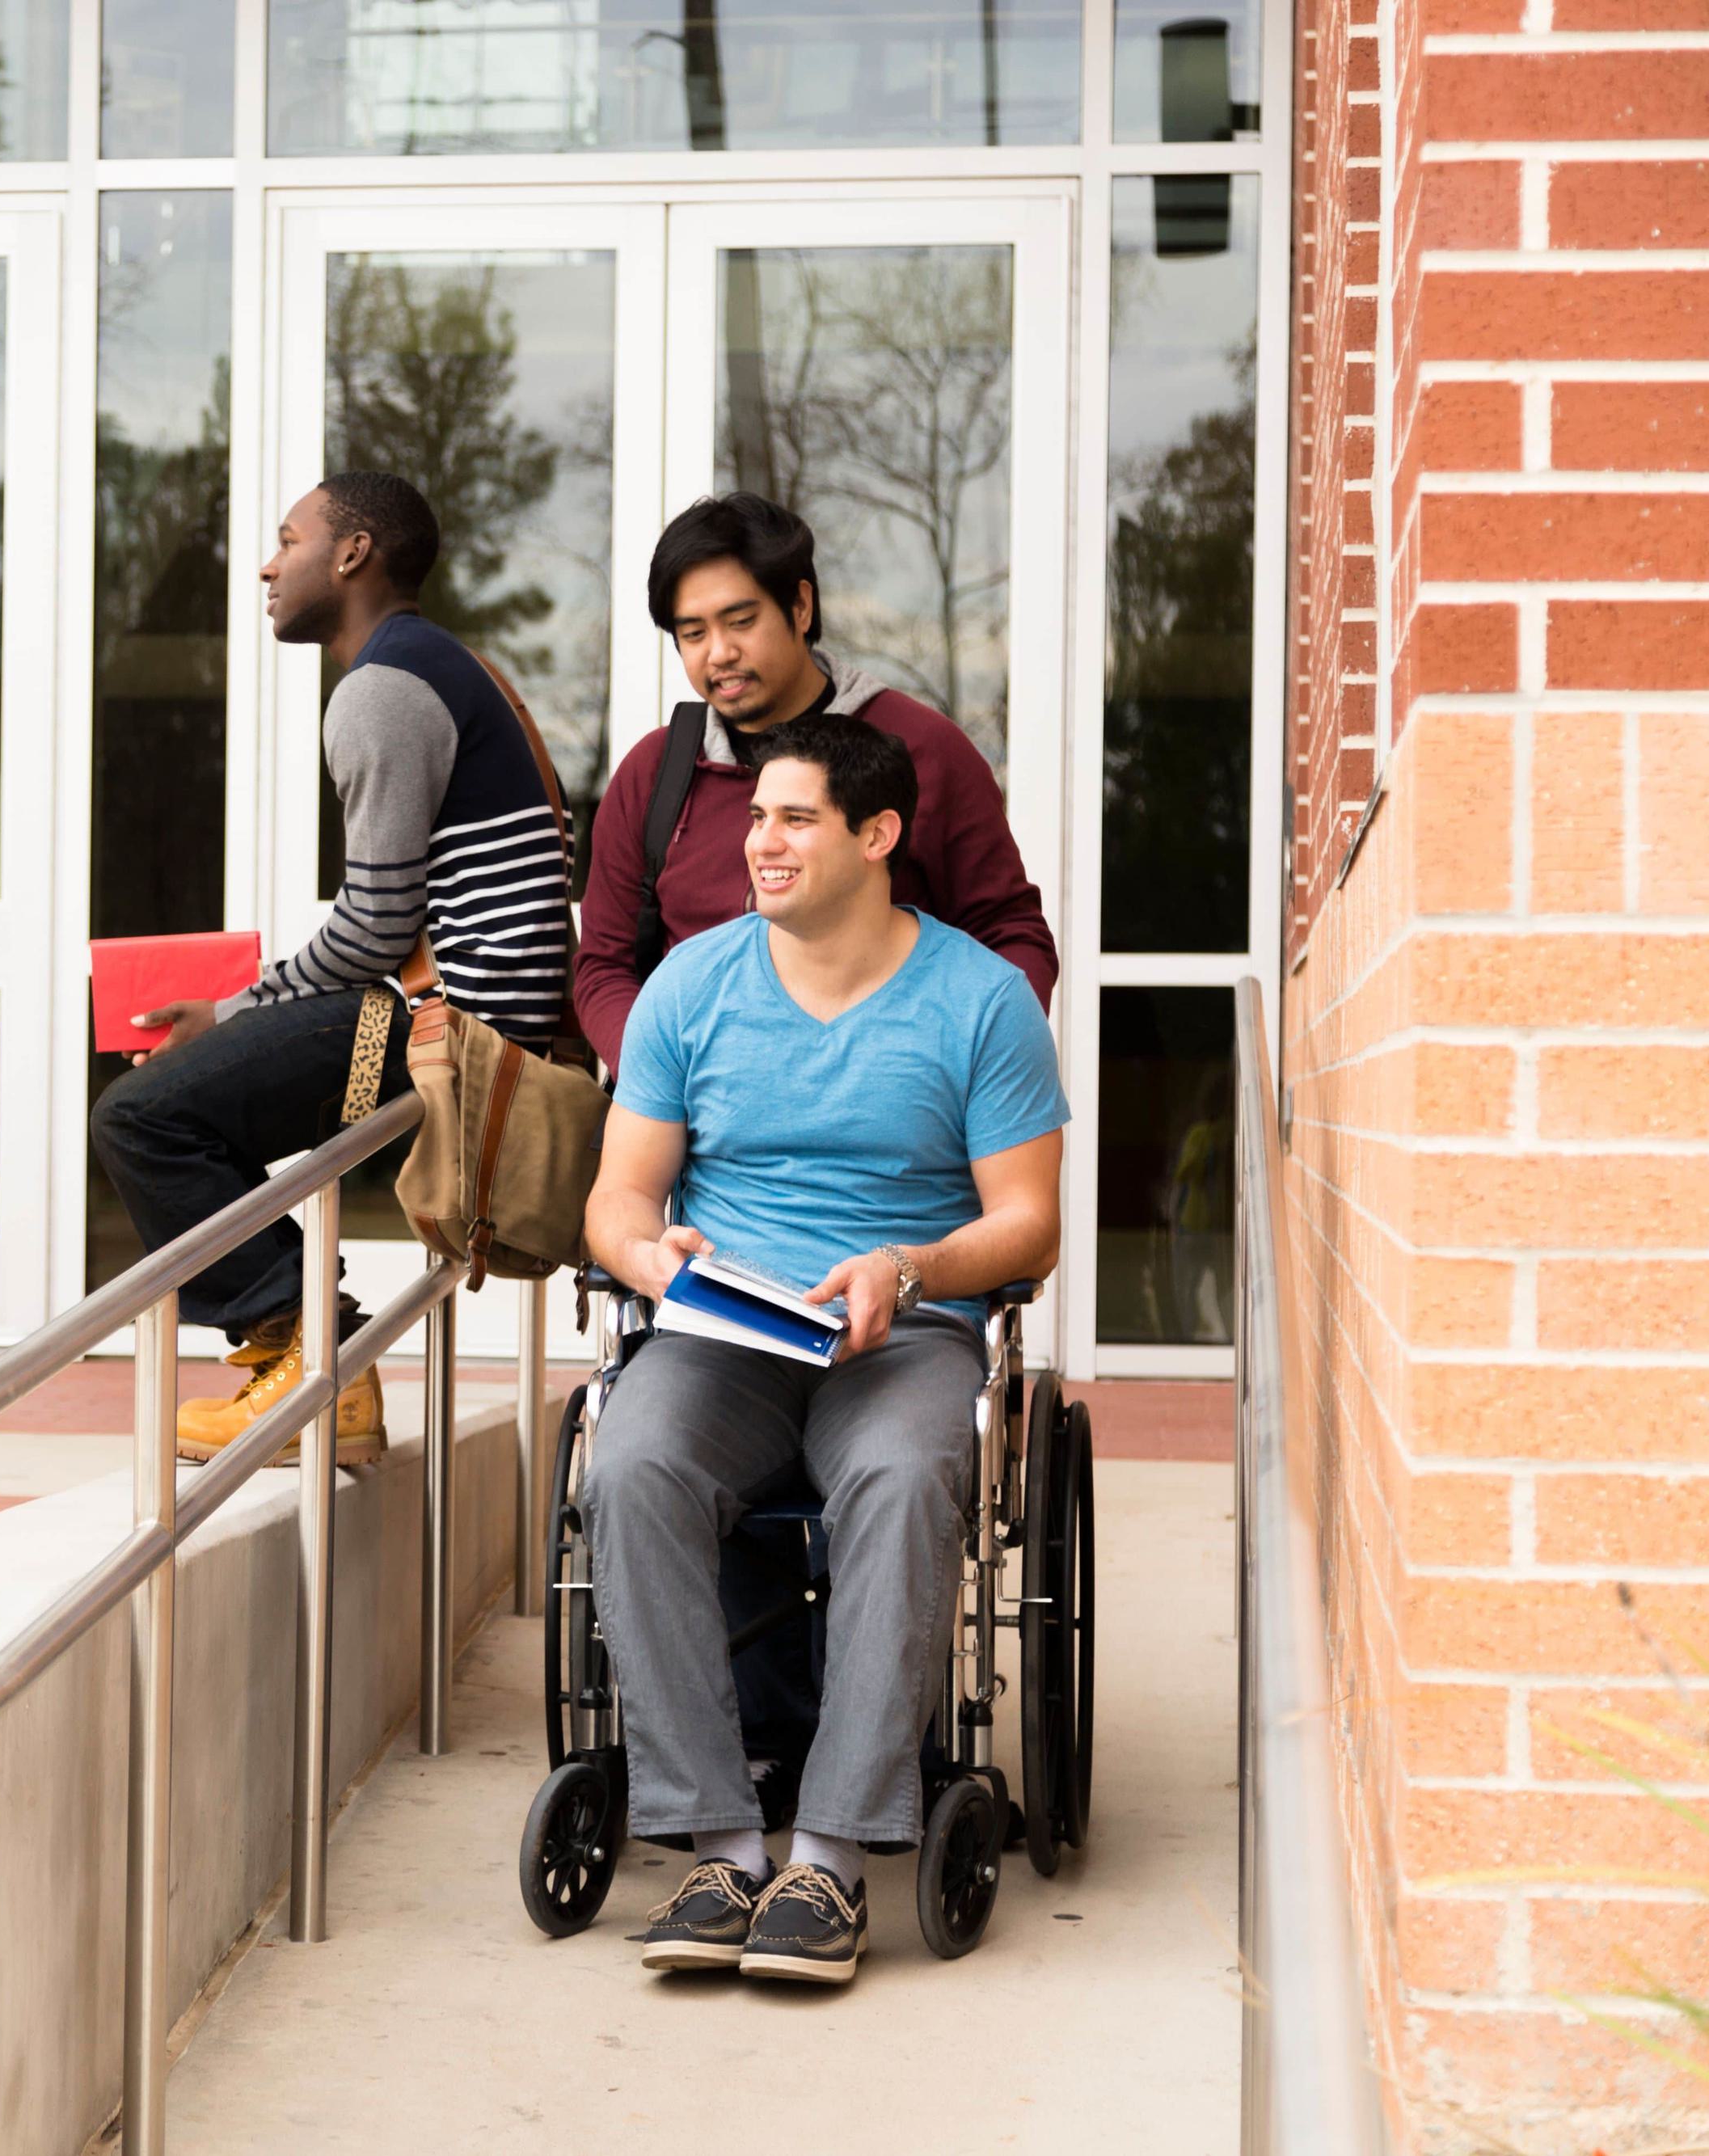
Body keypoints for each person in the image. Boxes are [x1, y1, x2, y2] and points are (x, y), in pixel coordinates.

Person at [580, 713, 1065, 1988]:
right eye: (756, 818)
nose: (762, 842)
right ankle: (725, 1841)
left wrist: (906, 1270)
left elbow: (1029, 1221)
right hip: (727, 1334)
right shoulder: (694, 982)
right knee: (628, 1461)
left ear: (879, 834)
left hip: (899, 1336)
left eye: (795, 817)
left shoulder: (980, 998)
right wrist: (651, 1258)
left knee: (905, 1481)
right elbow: (618, 1199)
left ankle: (833, 1855)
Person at [91, 470, 572, 1461]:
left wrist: (227, 1016)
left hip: (442, 1030)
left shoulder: (384, 690)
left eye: (287, 539)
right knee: (207, 1104)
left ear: (353, 554)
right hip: (446, 1020)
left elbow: (374, 922)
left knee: (144, 1116)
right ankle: (311, 1361)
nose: (268, 565)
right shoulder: (439, 667)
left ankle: (313, 1354)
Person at [573, 493, 1057, 1070]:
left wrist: (959, 1080)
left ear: (800, 606)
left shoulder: (924, 750)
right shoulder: (652, 774)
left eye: (741, 621)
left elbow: (1010, 933)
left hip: (886, 1132)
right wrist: (662, 1083)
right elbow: (604, 967)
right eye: (693, 633)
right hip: (697, 1137)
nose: (720, 653)